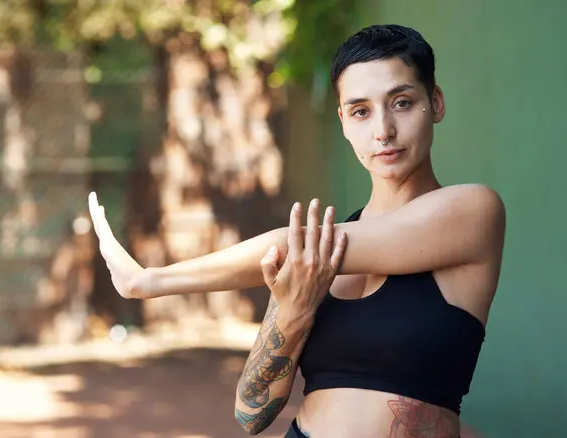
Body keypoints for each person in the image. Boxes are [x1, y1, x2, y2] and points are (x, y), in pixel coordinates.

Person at [88, 24, 505, 438]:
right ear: (343, 121)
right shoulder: (309, 265)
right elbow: (251, 413)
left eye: (401, 103)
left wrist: (148, 280)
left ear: (435, 103)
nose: (382, 131)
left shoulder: (473, 211)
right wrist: (294, 310)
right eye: (361, 111)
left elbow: (289, 245)